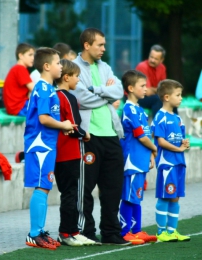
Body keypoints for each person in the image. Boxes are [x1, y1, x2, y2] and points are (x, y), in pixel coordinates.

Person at [71, 27, 131, 245]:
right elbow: (82, 99)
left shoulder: (105, 67)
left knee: (113, 188)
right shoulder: (74, 67)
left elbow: (119, 90)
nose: (104, 49)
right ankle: (86, 232)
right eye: (100, 45)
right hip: (89, 136)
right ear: (87, 45)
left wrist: (96, 90)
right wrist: (105, 95)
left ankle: (111, 232)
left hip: (112, 135)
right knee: (86, 188)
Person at [24, 48, 75, 250]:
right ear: (47, 66)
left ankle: (40, 230)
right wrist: (64, 125)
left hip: (47, 145)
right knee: (42, 186)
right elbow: (44, 119)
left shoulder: (47, 88)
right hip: (40, 145)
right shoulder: (44, 89)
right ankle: (34, 234)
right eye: (58, 63)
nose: (61, 66)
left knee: (45, 186)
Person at [54, 59, 95, 246]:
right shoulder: (68, 98)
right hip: (69, 153)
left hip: (59, 154)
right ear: (66, 77)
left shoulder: (54, 96)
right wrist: (85, 134)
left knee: (67, 193)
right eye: (77, 76)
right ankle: (67, 232)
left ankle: (72, 231)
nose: (78, 80)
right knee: (71, 194)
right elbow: (74, 126)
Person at [119, 70, 158, 245]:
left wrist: (150, 154)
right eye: (142, 86)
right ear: (130, 88)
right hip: (132, 160)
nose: (146, 89)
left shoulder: (140, 109)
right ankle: (124, 231)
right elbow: (141, 136)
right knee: (129, 195)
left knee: (137, 195)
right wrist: (155, 149)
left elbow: (146, 136)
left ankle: (137, 230)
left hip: (141, 159)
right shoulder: (129, 109)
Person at [151, 79, 191, 242]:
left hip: (179, 162)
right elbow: (161, 141)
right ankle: (161, 232)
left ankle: (172, 230)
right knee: (165, 196)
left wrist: (184, 143)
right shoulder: (160, 117)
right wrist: (179, 149)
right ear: (167, 97)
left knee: (175, 197)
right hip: (167, 164)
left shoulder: (177, 118)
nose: (181, 98)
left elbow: (180, 139)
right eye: (178, 95)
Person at [3, 43, 35, 116]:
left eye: (33, 55)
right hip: (19, 107)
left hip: (16, 107)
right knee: (50, 110)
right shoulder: (20, 69)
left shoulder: (17, 68)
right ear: (20, 56)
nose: (33, 58)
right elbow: (35, 89)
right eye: (30, 55)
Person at [136, 44, 166, 118]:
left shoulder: (162, 68)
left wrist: (155, 90)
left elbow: (164, 89)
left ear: (161, 60)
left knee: (170, 100)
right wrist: (158, 89)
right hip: (135, 97)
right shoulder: (142, 66)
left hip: (149, 96)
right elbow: (147, 92)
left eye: (156, 59)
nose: (152, 60)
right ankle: (156, 128)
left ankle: (176, 128)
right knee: (158, 99)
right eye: (151, 57)